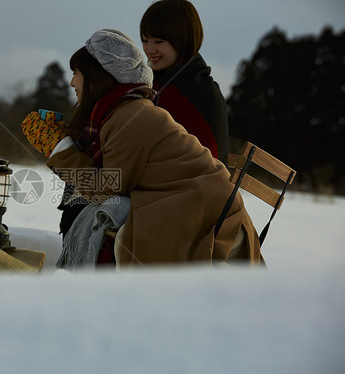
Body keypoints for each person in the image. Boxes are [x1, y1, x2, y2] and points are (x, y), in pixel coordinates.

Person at [21, 29, 262, 269]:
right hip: (196, 206)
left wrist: (60, 148)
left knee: (103, 213)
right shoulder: (123, 112)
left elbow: (107, 189)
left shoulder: (129, 118)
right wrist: (66, 142)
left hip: (203, 216)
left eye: (76, 73)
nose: (72, 82)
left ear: (96, 77)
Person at [140, 0, 229, 165]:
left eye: (158, 42)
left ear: (182, 41)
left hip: (188, 188)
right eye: (145, 40)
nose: (149, 49)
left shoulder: (200, 94)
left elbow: (208, 165)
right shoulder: (152, 85)